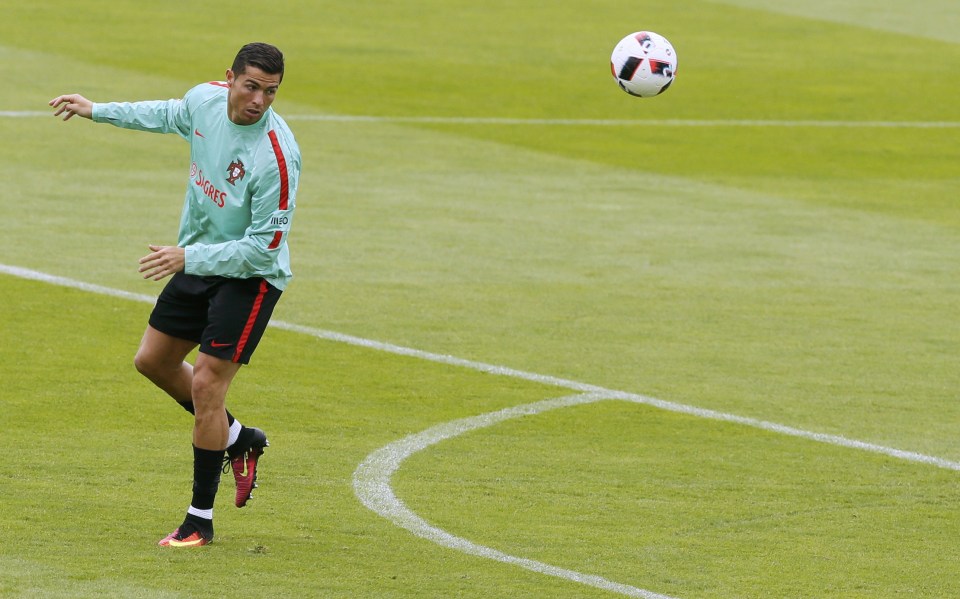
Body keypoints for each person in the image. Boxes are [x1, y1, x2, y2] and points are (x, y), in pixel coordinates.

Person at [49, 42, 301, 548]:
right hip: (195, 255)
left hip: (249, 277)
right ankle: (239, 438)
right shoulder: (205, 101)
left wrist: (188, 258)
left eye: (270, 91)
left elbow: (260, 251)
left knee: (208, 386)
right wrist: (97, 110)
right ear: (229, 78)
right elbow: (167, 113)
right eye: (250, 86)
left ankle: (198, 522)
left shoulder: (276, 157)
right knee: (153, 361)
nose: (258, 100)